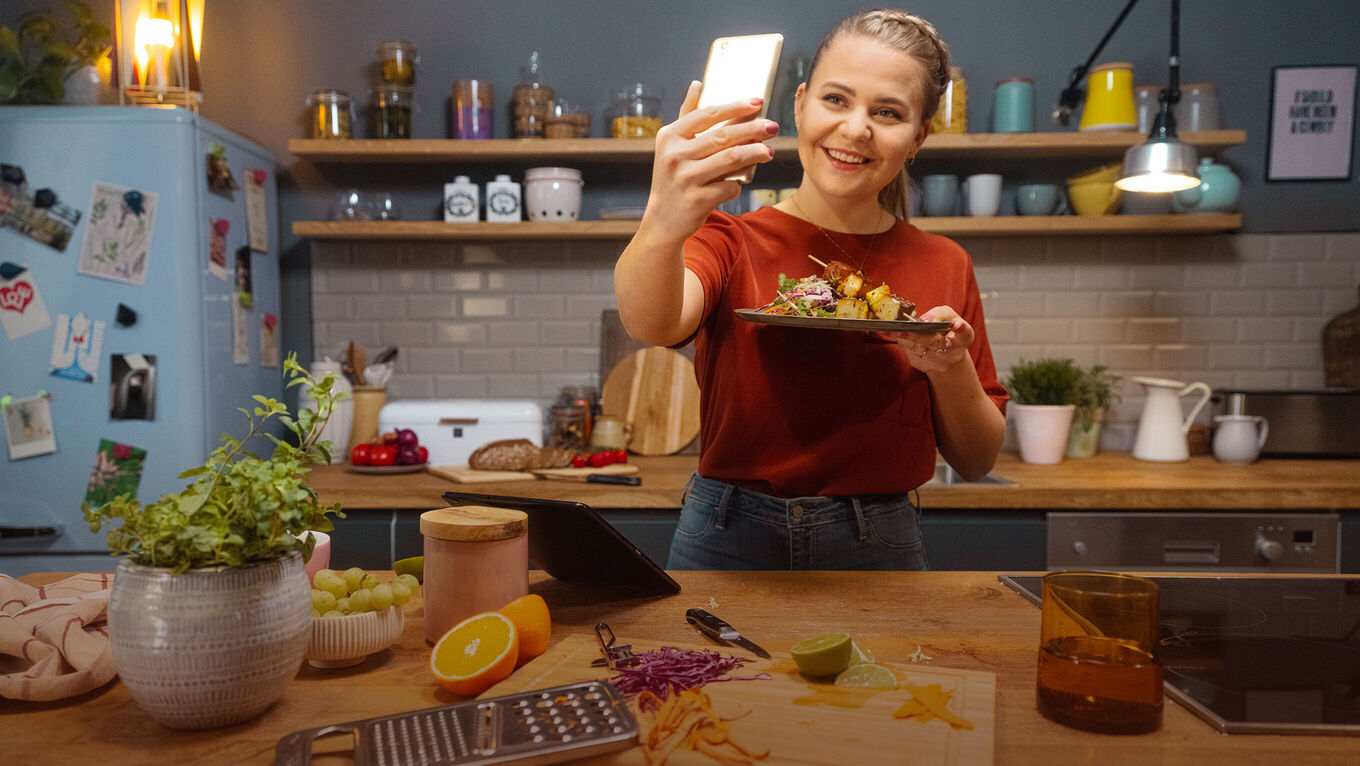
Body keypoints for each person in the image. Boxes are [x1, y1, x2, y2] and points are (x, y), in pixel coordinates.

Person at [613, 9, 1008, 570]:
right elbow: (651, 323)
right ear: (799, 104)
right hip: (727, 532)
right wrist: (662, 220)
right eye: (836, 100)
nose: (855, 129)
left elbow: (976, 458)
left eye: (888, 112)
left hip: (882, 542)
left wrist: (948, 366)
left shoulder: (945, 261)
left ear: (918, 137)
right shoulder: (728, 237)